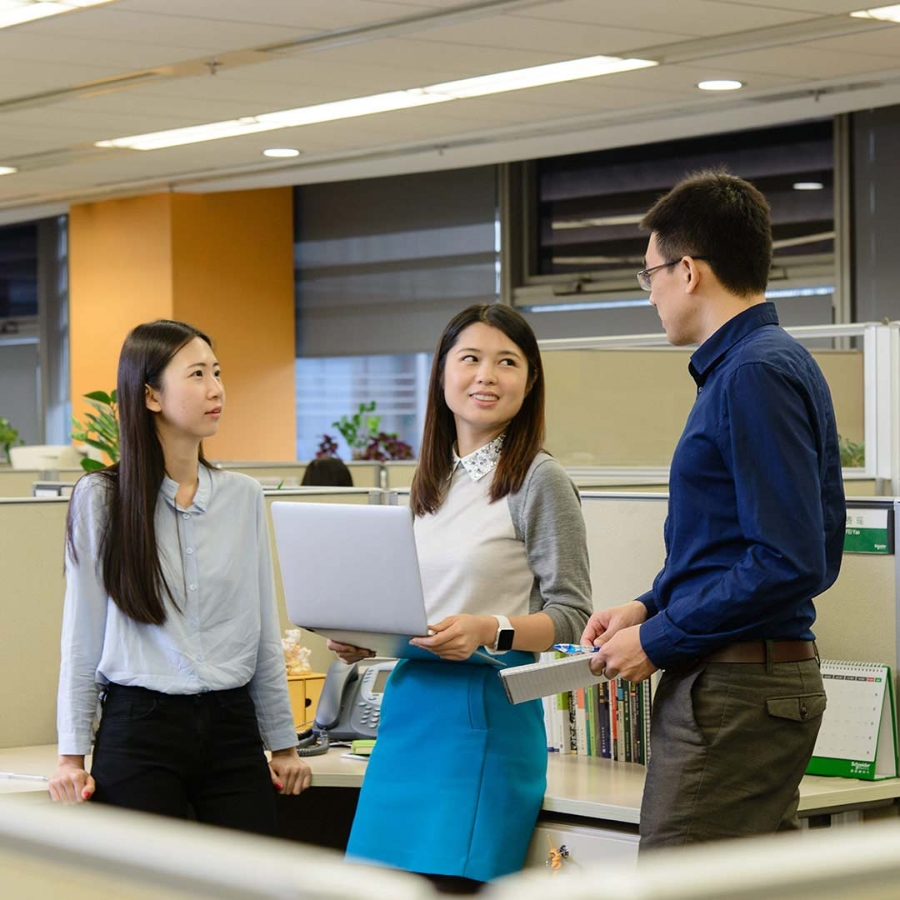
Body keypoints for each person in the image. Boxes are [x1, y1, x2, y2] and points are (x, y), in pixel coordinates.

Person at [582, 170, 846, 850]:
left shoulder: (754, 373)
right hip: (738, 682)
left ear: (688, 270)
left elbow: (787, 559)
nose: (651, 296)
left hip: (737, 690)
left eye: (649, 277)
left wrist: (659, 640)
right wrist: (648, 607)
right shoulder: (753, 367)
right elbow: (732, 545)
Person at [331, 303, 591, 892]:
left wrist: (488, 628)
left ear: (530, 381)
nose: (486, 376)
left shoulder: (539, 479)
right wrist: (364, 636)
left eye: (507, 362)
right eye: (469, 359)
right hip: (408, 713)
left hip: (484, 718)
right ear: (442, 374)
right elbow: (414, 605)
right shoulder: (430, 478)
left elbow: (571, 614)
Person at [49, 319, 311, 833]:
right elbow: (81, 639)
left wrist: (283, 745)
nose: (216, 390)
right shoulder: (102, 499)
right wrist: (71, 757)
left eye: (217, 373)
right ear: (150, 396)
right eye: (196, 375)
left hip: (232, 727)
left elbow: (261, 630)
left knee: (254, 880)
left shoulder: (243, 497)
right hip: (139, 728)